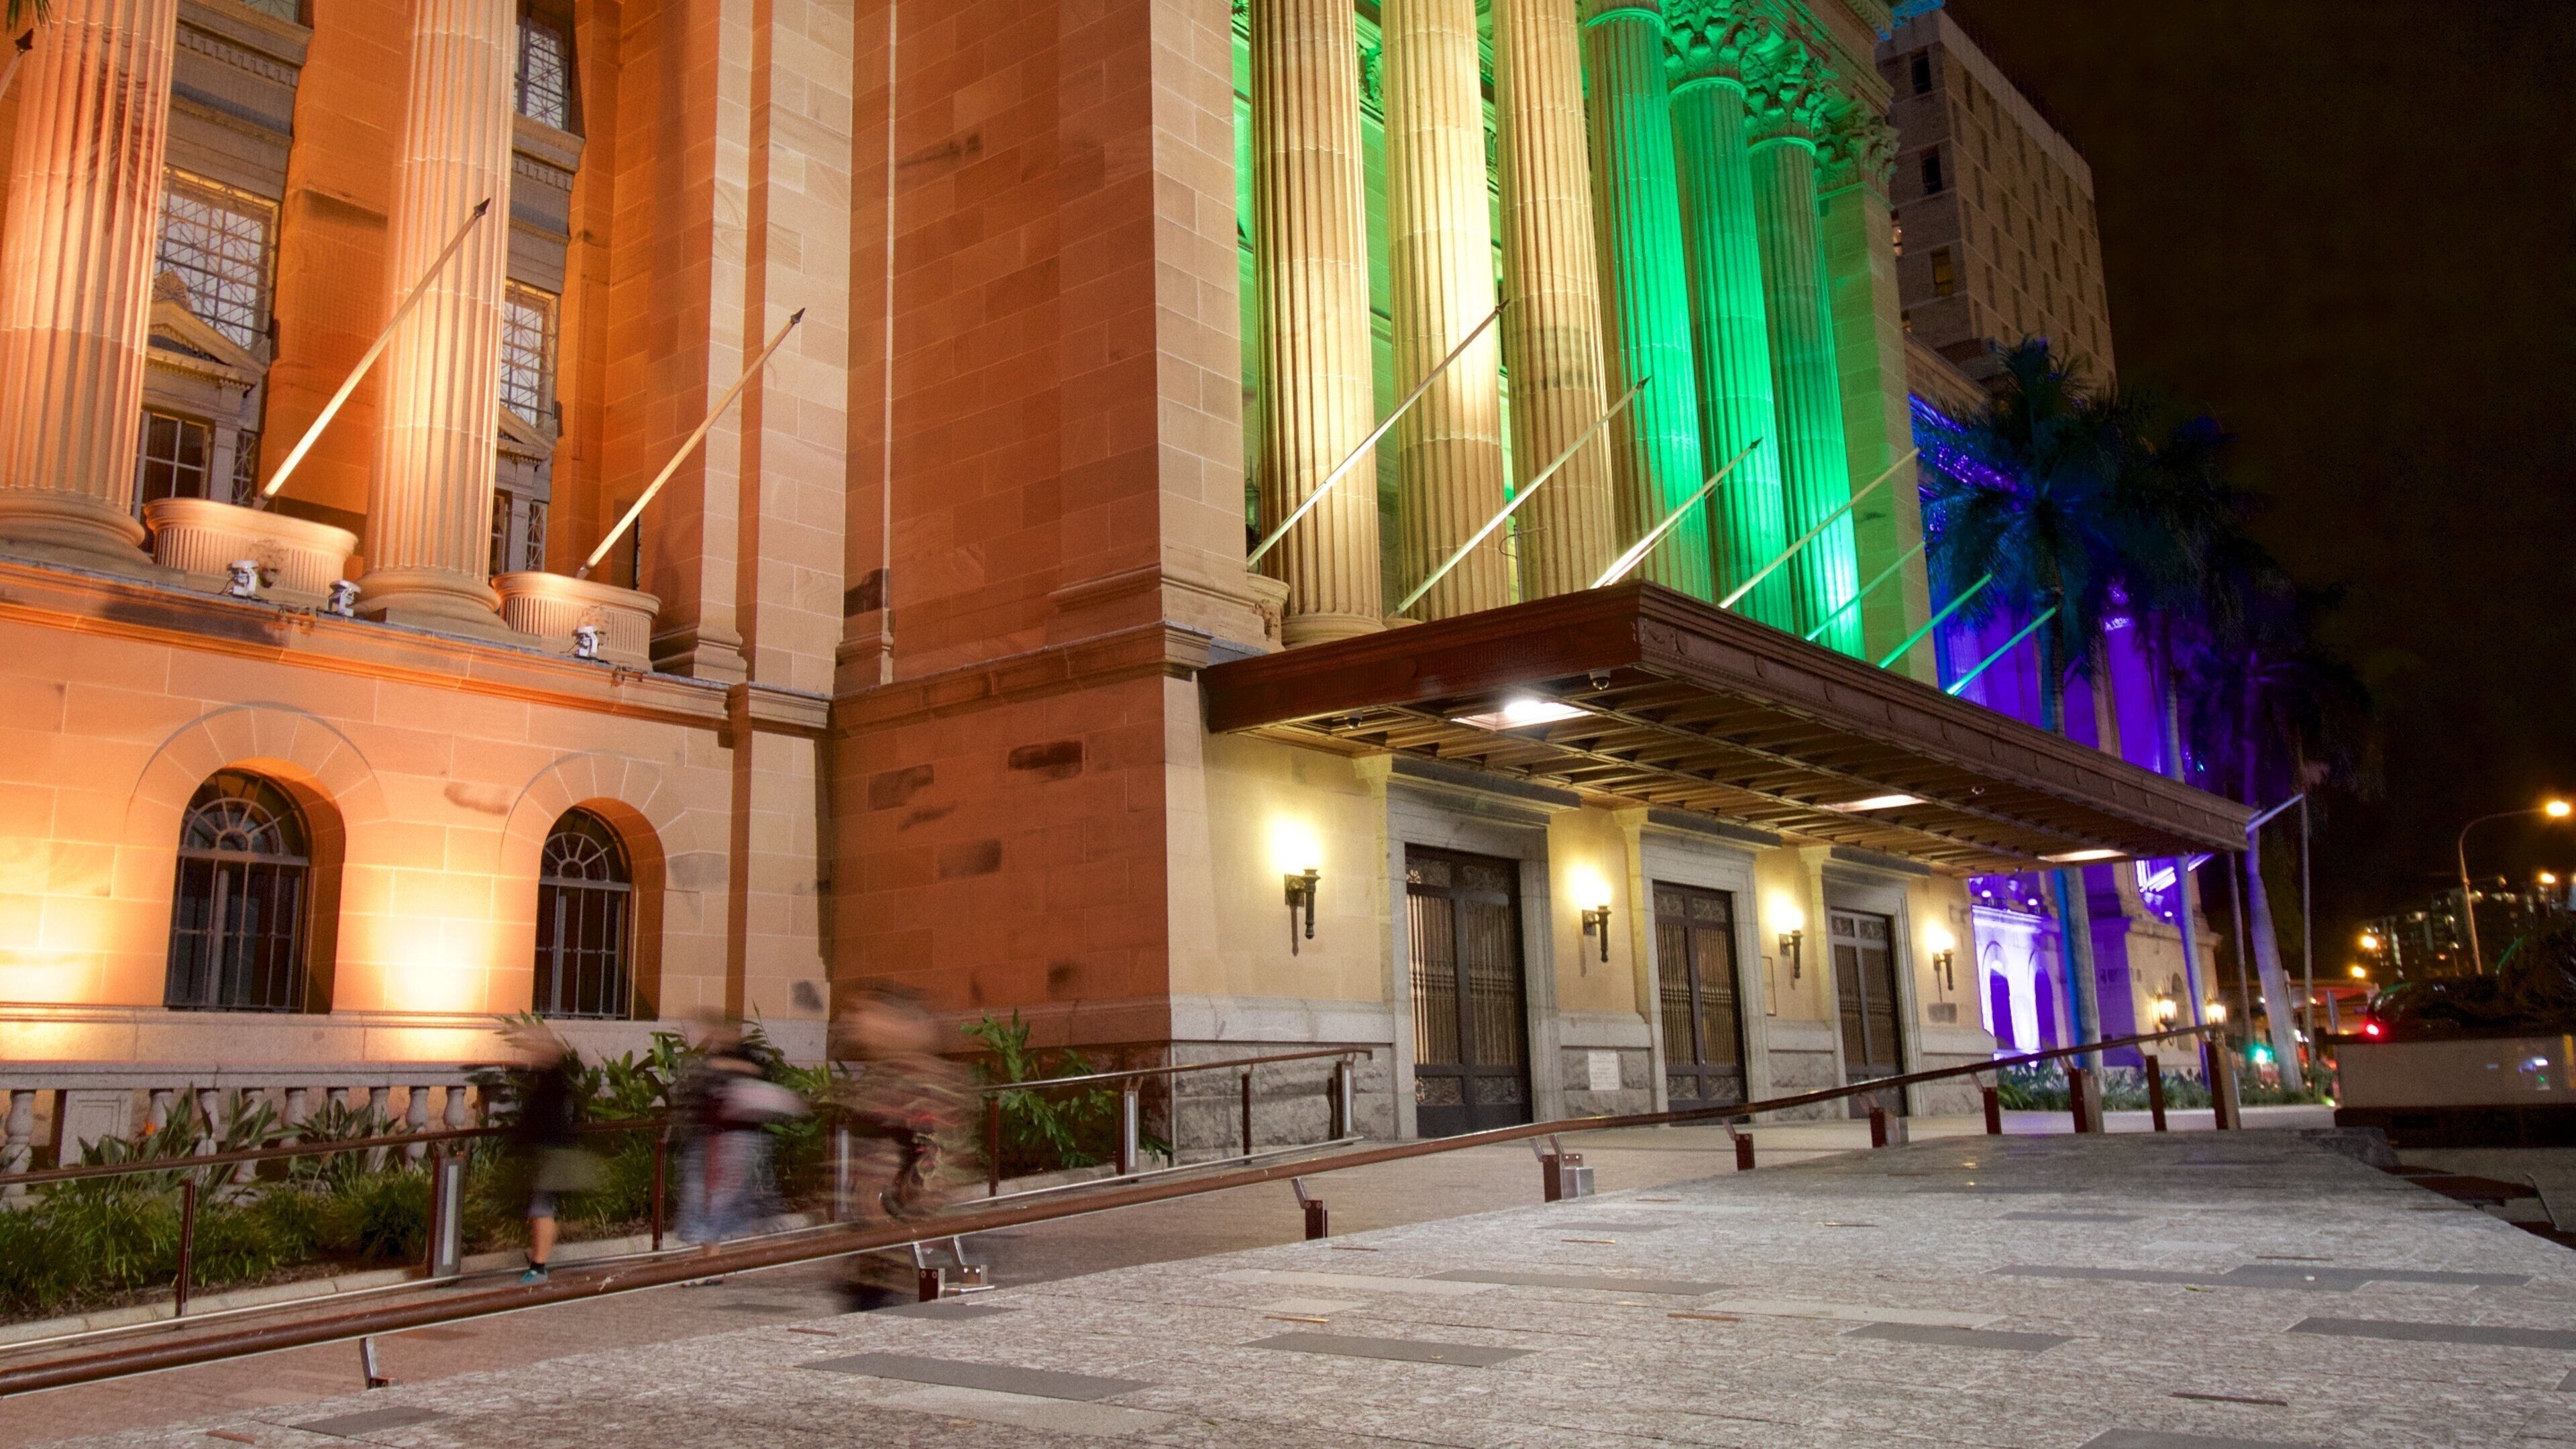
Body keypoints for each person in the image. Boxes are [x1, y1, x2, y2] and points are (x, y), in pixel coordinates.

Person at [828, 983, 970, 1310]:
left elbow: (936, 1157)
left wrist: (895, 1215)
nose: (856, 1022)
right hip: (871, 1251)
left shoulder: (924, 1079)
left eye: (867, 1014)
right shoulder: (884, 1074)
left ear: (896, 1023)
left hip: (902, 1254)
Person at [672, 1016, 802, 1256]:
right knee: (711, 1201)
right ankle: (713, 1261)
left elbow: (761, 1086)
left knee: (717, 1202)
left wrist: (726, 1069)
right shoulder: (712, 1058)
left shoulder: (744, 1057)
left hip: (734, 1142)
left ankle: (711, 1267)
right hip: (711, 1141)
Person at [500, 1022, 598, 1286]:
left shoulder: (552, 1078)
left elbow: (546, 1118)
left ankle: (539, 1267)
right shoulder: (552, 1077)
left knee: (541, 1209)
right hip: (551, 1151)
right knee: (543, 1208)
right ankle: (540, 1263)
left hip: (551, 1152)